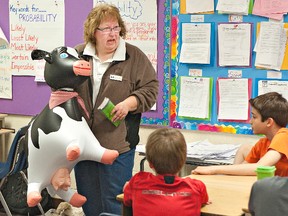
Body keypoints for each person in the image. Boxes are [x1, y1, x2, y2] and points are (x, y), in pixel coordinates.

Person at [73, 3, 159, 215]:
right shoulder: (78, 54)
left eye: (116, 28)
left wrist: (129, 103)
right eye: (106, 29)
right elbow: (60, 83)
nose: (113, 34)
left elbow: (151, 88)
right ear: (94, 32)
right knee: (88, 199)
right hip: (83, 143)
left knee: (115, 200)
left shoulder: (133, 56)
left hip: (118, 144)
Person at [192, 92, 288, 177]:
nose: (250, 121)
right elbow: (242, 169)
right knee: (244, 148)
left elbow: (260, 167)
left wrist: (213, 169)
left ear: (269, 122)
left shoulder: (284, 135)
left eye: (254, 117)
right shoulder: (263, 143)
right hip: (272, 190)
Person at [123, 128, 210, 216]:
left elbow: (127, 201)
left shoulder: (138, 182)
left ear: (150, 163)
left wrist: (128, 188)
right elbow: (203, 201)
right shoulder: (197, 187)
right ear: (183, 161)